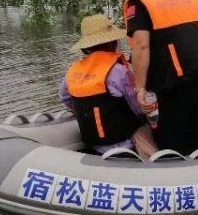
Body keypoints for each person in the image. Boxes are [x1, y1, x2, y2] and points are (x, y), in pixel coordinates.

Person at [125, 0, 198, 154]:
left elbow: (141, 46)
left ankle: (180, 177)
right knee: (192, 131)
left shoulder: (140, 0)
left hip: (172, 85)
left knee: (171, 142)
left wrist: (140, 88)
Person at [59, 15, 157, 158]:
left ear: (86, 46)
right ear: (113, 42)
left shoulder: (73, 71)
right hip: (125, 142)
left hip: (94, 143)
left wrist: (87, 111)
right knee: (152, 122)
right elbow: (137, 108)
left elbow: (65, 97)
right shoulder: (119, 71)